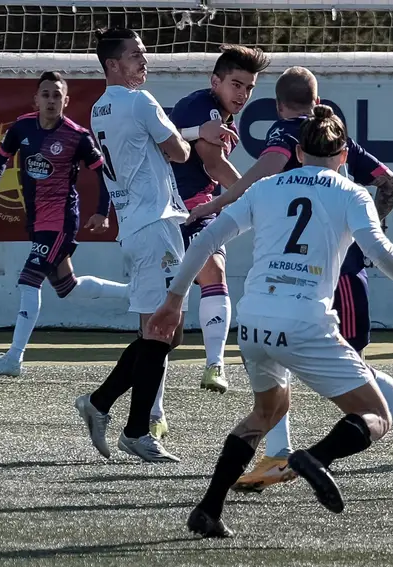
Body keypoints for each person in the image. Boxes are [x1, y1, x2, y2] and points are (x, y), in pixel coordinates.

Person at [147, 105, 393, 537]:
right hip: (304, 320)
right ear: (343, 154)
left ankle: (208, 509)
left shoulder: (267, 187)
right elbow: (381, 253)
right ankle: (313, 458)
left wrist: (174, 298)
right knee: (375, 416)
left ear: (298, 151)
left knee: (266, 412)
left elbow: (207, 238)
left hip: (253, 321)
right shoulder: (352, 193)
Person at [192, 66, 393, 491]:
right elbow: (390, 182)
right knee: (279, 359)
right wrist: (363, 235)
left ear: (278, 105)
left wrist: (220, 203)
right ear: (318, 99)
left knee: (353, 369)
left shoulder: (287, 134)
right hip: (315, 278)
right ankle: (278, 454)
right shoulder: (334, 134)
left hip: (331, 276)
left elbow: (260, 177)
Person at [73, 28, 237, 462]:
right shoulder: (139, 101)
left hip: (138, 223)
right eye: (135, 56)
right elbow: (181, 152)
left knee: (168, 331)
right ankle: (131, 426)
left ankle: (104, 405)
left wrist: (187, 133)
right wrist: (199, 132)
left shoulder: (98, 108)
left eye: (144, 55)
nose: (144, 62)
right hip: (154, 223)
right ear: (112, 64)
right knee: (162, 330)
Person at [0, 71, 129, 377]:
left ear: (66, 101)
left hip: (60, 221)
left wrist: (103, 211)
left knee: (28, 280)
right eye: (45, 94)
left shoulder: (77, 136)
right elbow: (1, 157)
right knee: (67, 287)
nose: (50, 100)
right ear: (36, 99)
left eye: (56, 95)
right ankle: (137, 293)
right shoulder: (22, 127)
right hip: (36, 219)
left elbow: (104, 173)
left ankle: (14, 358)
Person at [165, 45, 270, 397]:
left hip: (194, 205)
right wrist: (257, 193)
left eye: (249, 87)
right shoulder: (204, 107)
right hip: (181, 207)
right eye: (236, 84)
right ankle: (211, 366)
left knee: (171, 322)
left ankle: (212, 366)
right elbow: (213, 165)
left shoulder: (221, 115)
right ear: (216, 81)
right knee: (168, 321)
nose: (243, 94)